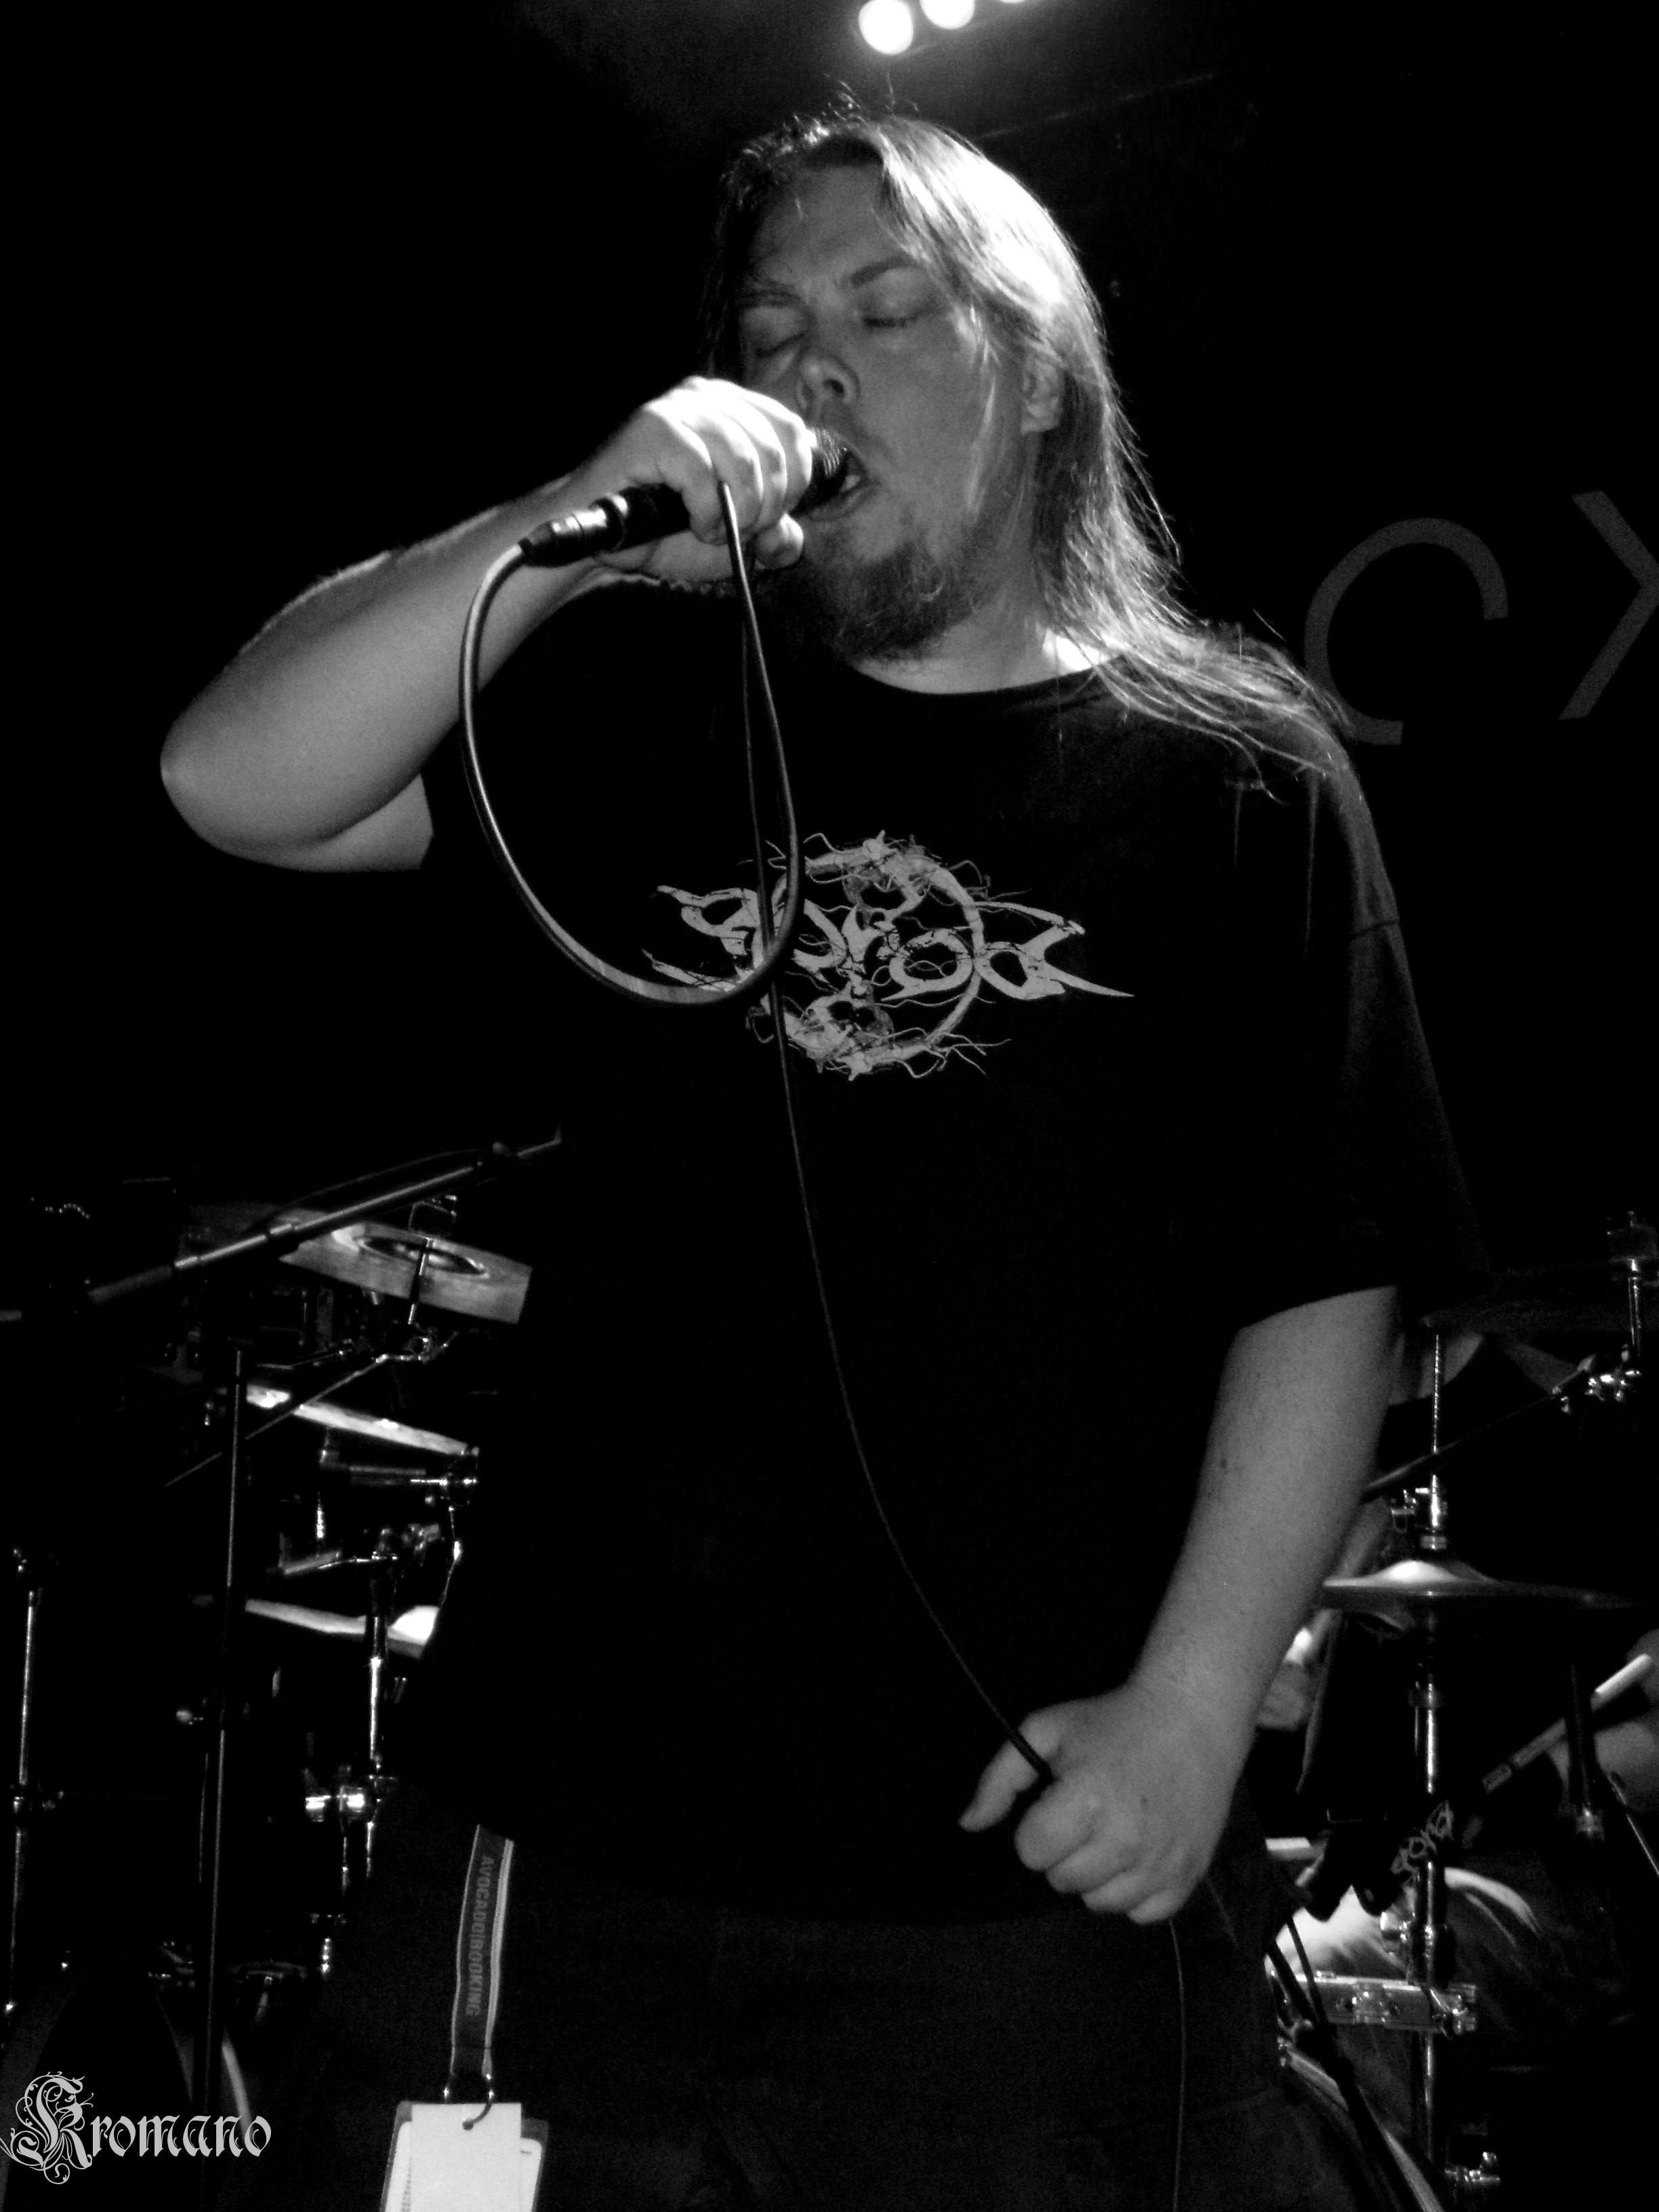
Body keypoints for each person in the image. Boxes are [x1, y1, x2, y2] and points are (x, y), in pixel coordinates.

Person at [163, 106, 1483, 2211]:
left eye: (888, 311)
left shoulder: (1235, 781)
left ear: (1036, 376)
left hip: (1002, 1866)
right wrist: (572, 520)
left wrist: (1194, 1702)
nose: (815, 371)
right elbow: (235, 780)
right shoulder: (643, 713)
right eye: (775, 333)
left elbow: (1325, 1268)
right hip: (544, 1852)